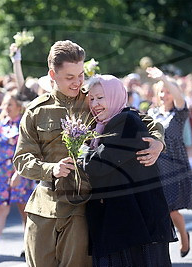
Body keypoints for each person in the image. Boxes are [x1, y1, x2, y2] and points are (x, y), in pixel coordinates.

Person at [13, 40, 165, 267]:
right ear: (52, 74)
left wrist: (158, 142)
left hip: (81, 207)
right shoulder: (36, 110)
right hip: (43, 207)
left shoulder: (93, 100)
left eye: (80, 75)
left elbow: (141, 120)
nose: (77, 83)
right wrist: (51, 168)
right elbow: (21, 159)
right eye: (69, 77)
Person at [83, 74, 175, 267]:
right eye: (91, 99)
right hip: (127, 224)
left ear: (115, 95)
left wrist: (79, 151)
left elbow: (98, 165)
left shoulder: (126, 121)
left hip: (137, 224)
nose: (95, 104)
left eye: (100, 97)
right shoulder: (102, 126)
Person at [146, 67, 192, 258]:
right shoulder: (152, 113)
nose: (165, 95)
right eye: (161, 92)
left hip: (174, 167)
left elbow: (179, 97)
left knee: (172, 209)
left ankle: (183, 234)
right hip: (155, 166)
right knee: (160, 209)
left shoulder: (179, 113)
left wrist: (164, 79)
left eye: (168, 91)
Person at [0, 92, 34, 257]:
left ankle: (27, 247)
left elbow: (27, 151)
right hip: (2, 173)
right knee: (0, 208)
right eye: (4, 104)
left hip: (19, 172)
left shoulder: (24, 123)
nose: (5, 108)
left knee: (24, 211)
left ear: (19, 107)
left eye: (10, 104)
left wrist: (19, 173)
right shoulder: (1, 123)